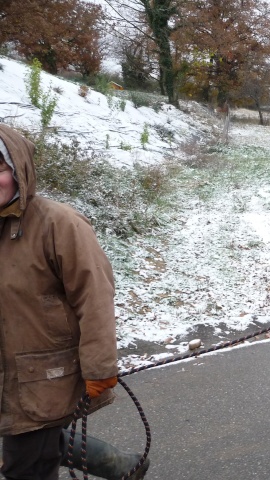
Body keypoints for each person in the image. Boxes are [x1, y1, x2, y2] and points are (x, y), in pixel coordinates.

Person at [0, 124, 150, 479]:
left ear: (18, 168)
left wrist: (100, 368)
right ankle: (122, 467)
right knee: (34, 441)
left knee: (25, 462)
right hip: (6, 377)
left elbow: (94, 296)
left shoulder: (59, 224)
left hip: (40, 377)